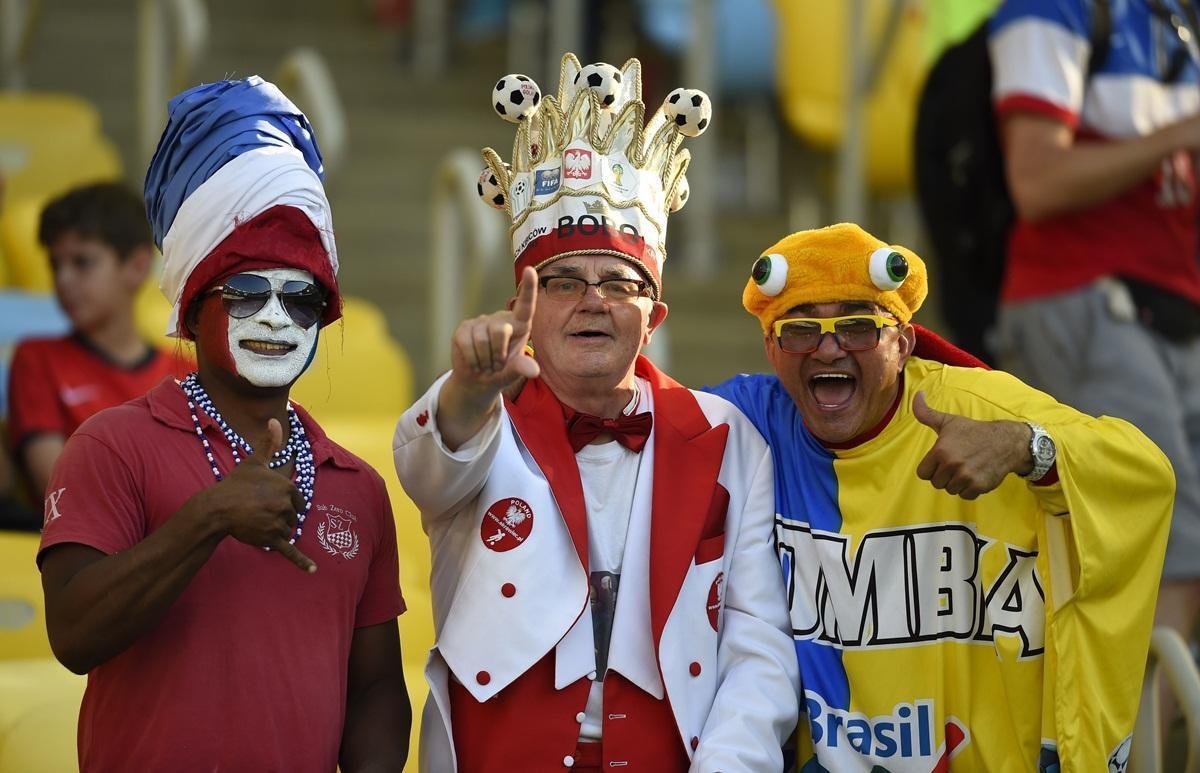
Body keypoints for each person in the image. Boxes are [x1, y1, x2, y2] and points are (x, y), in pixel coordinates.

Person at [393, 54, 798, 772]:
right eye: (562, 281)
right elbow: (428, 466)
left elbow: (756, 643)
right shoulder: (484, 416)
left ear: (655, 315)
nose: (593, 300)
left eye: (620, 282)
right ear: (525, 306)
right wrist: (468, 387)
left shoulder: (728, 437)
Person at [37, 78, 410, 771]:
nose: (275, 316)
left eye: (301, 299)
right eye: (244, 292)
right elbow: (72, 633)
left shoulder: (356, 484)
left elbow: (378, 686)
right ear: (190, 308)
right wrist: (207, 516)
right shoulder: (112, 444)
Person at [706, 222, 1173, 771]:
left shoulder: (980, 406)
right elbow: (633, 411)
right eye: (801, 331)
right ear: (771, 347)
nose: (828, 349)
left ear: (902, 343)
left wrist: (1026, 447)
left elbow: (1146, 473)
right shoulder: (750, 421)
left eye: (858, 328)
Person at [989, 0, 1200, 649]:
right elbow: (1037, 180)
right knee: (1169, 540)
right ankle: (1138, 746)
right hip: (1084, 301)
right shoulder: (1055, 9)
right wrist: (1180, 134)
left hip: (1172, 310)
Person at [8, 182, 189, 501]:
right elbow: (58, 489)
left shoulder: (188, 376)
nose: (63, 280)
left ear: (138, 266)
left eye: (81, 262)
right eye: (55, 265)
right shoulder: (37, 359)